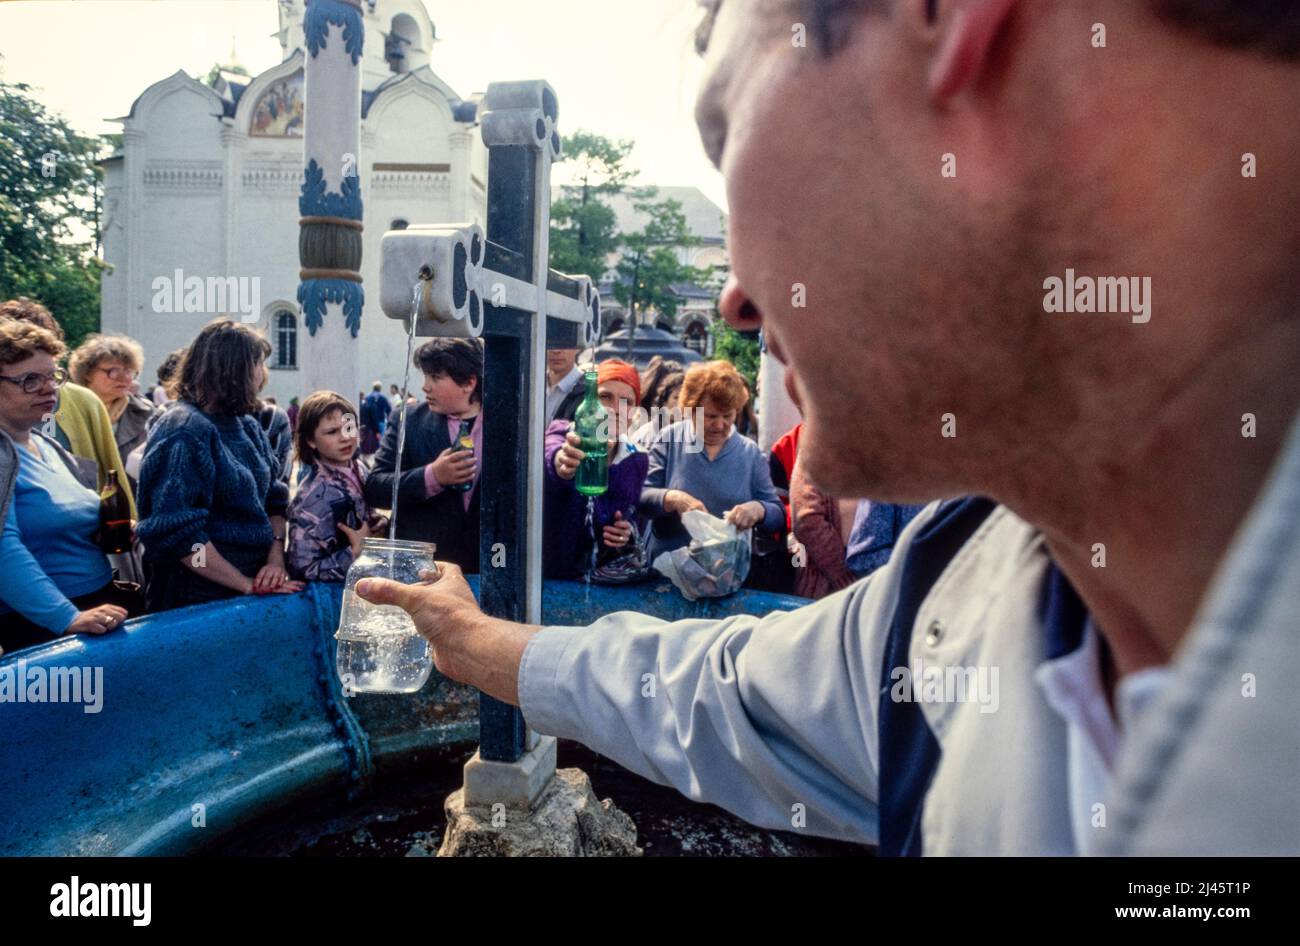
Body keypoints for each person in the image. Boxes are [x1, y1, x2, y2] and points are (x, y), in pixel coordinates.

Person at [353, 0, 1300, 855]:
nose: (736, 296)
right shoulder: (945, 603)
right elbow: (719, 694)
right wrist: (474, 641)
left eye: (725, 135)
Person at [136, 319, 303, 611]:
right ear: (233, 369)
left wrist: (275, 559)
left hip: (252, 586)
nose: (262, 374)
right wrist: (243, 583)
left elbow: (275, 498)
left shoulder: (246, 424)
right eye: (257, 364)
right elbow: (181, 536)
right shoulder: (184, 430)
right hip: (196, 598)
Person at [0, 321, 135, 654]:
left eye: (52, 376)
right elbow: (3, 545)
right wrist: (67, 618)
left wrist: (105, 529)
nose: (49, 389)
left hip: (95, 609)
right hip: (44, 629)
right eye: (30, 380)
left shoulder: (46, 445)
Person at [0, 298, 136, 519]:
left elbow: (112, 477)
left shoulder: (84, 402)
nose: (46, 389)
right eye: (29, 378)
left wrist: (125, 527)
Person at [639, 360, 784, 565]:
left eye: (728, 416)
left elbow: (777, 513)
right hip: (665, 569)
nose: (719, 425)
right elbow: (641, 496)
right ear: (691, 409)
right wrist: (673, 498)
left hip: (725, 573)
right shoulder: (670, 439)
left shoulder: (750, 454)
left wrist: (758, 509)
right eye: (710, 416)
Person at [364, 338, 483, 573]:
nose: (425, 386)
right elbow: (375, 488)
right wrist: (433, 476)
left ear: (469, 383)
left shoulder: (508, 424)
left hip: (485, 572)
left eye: (436, 378)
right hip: (423, 573)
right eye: (426, 376)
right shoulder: (407, 420)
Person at [543, 359, 649, 581]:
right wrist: (563, 464)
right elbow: (553, 456)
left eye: (626, 401)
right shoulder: (562, 435)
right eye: (605, 397)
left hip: (602, 584)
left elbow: (632, 517)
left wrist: (626, 533)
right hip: (551, 581)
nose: (614, 409)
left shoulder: (637, 458)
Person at [286, 391, 385, 582]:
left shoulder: (360, 469)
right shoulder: (311, 498)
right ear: (311, 440)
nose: (345, 438)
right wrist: (353, 553)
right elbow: (301, 568)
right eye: (332, 432)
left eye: (349, 427)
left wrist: (378, 522)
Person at [68, 333, 157, 484]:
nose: (125, 378)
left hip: (130, 503)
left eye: (129, 371)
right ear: (88, 373)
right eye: (113, 371)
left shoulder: (147, 413)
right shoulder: (65, 411)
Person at [789, 454, 858, 600]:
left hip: (877, 587)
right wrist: (844, 576)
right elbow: (806, 520)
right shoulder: (814, 454)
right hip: (822, 589)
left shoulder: (884, 453)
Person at [544, 348, 584, 425]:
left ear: (578, 347)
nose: (556, 351)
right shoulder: (529, 384)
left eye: (564, 343)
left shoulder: (590, 391)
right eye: (551, 342)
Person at [359, 381, 391, 458]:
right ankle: (380, 455)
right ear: (380, 388)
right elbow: (388, 409)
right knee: (381, 439)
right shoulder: (383, 397)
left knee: (369, 441)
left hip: (369, 423)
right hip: (380, 421)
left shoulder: (367, 397)